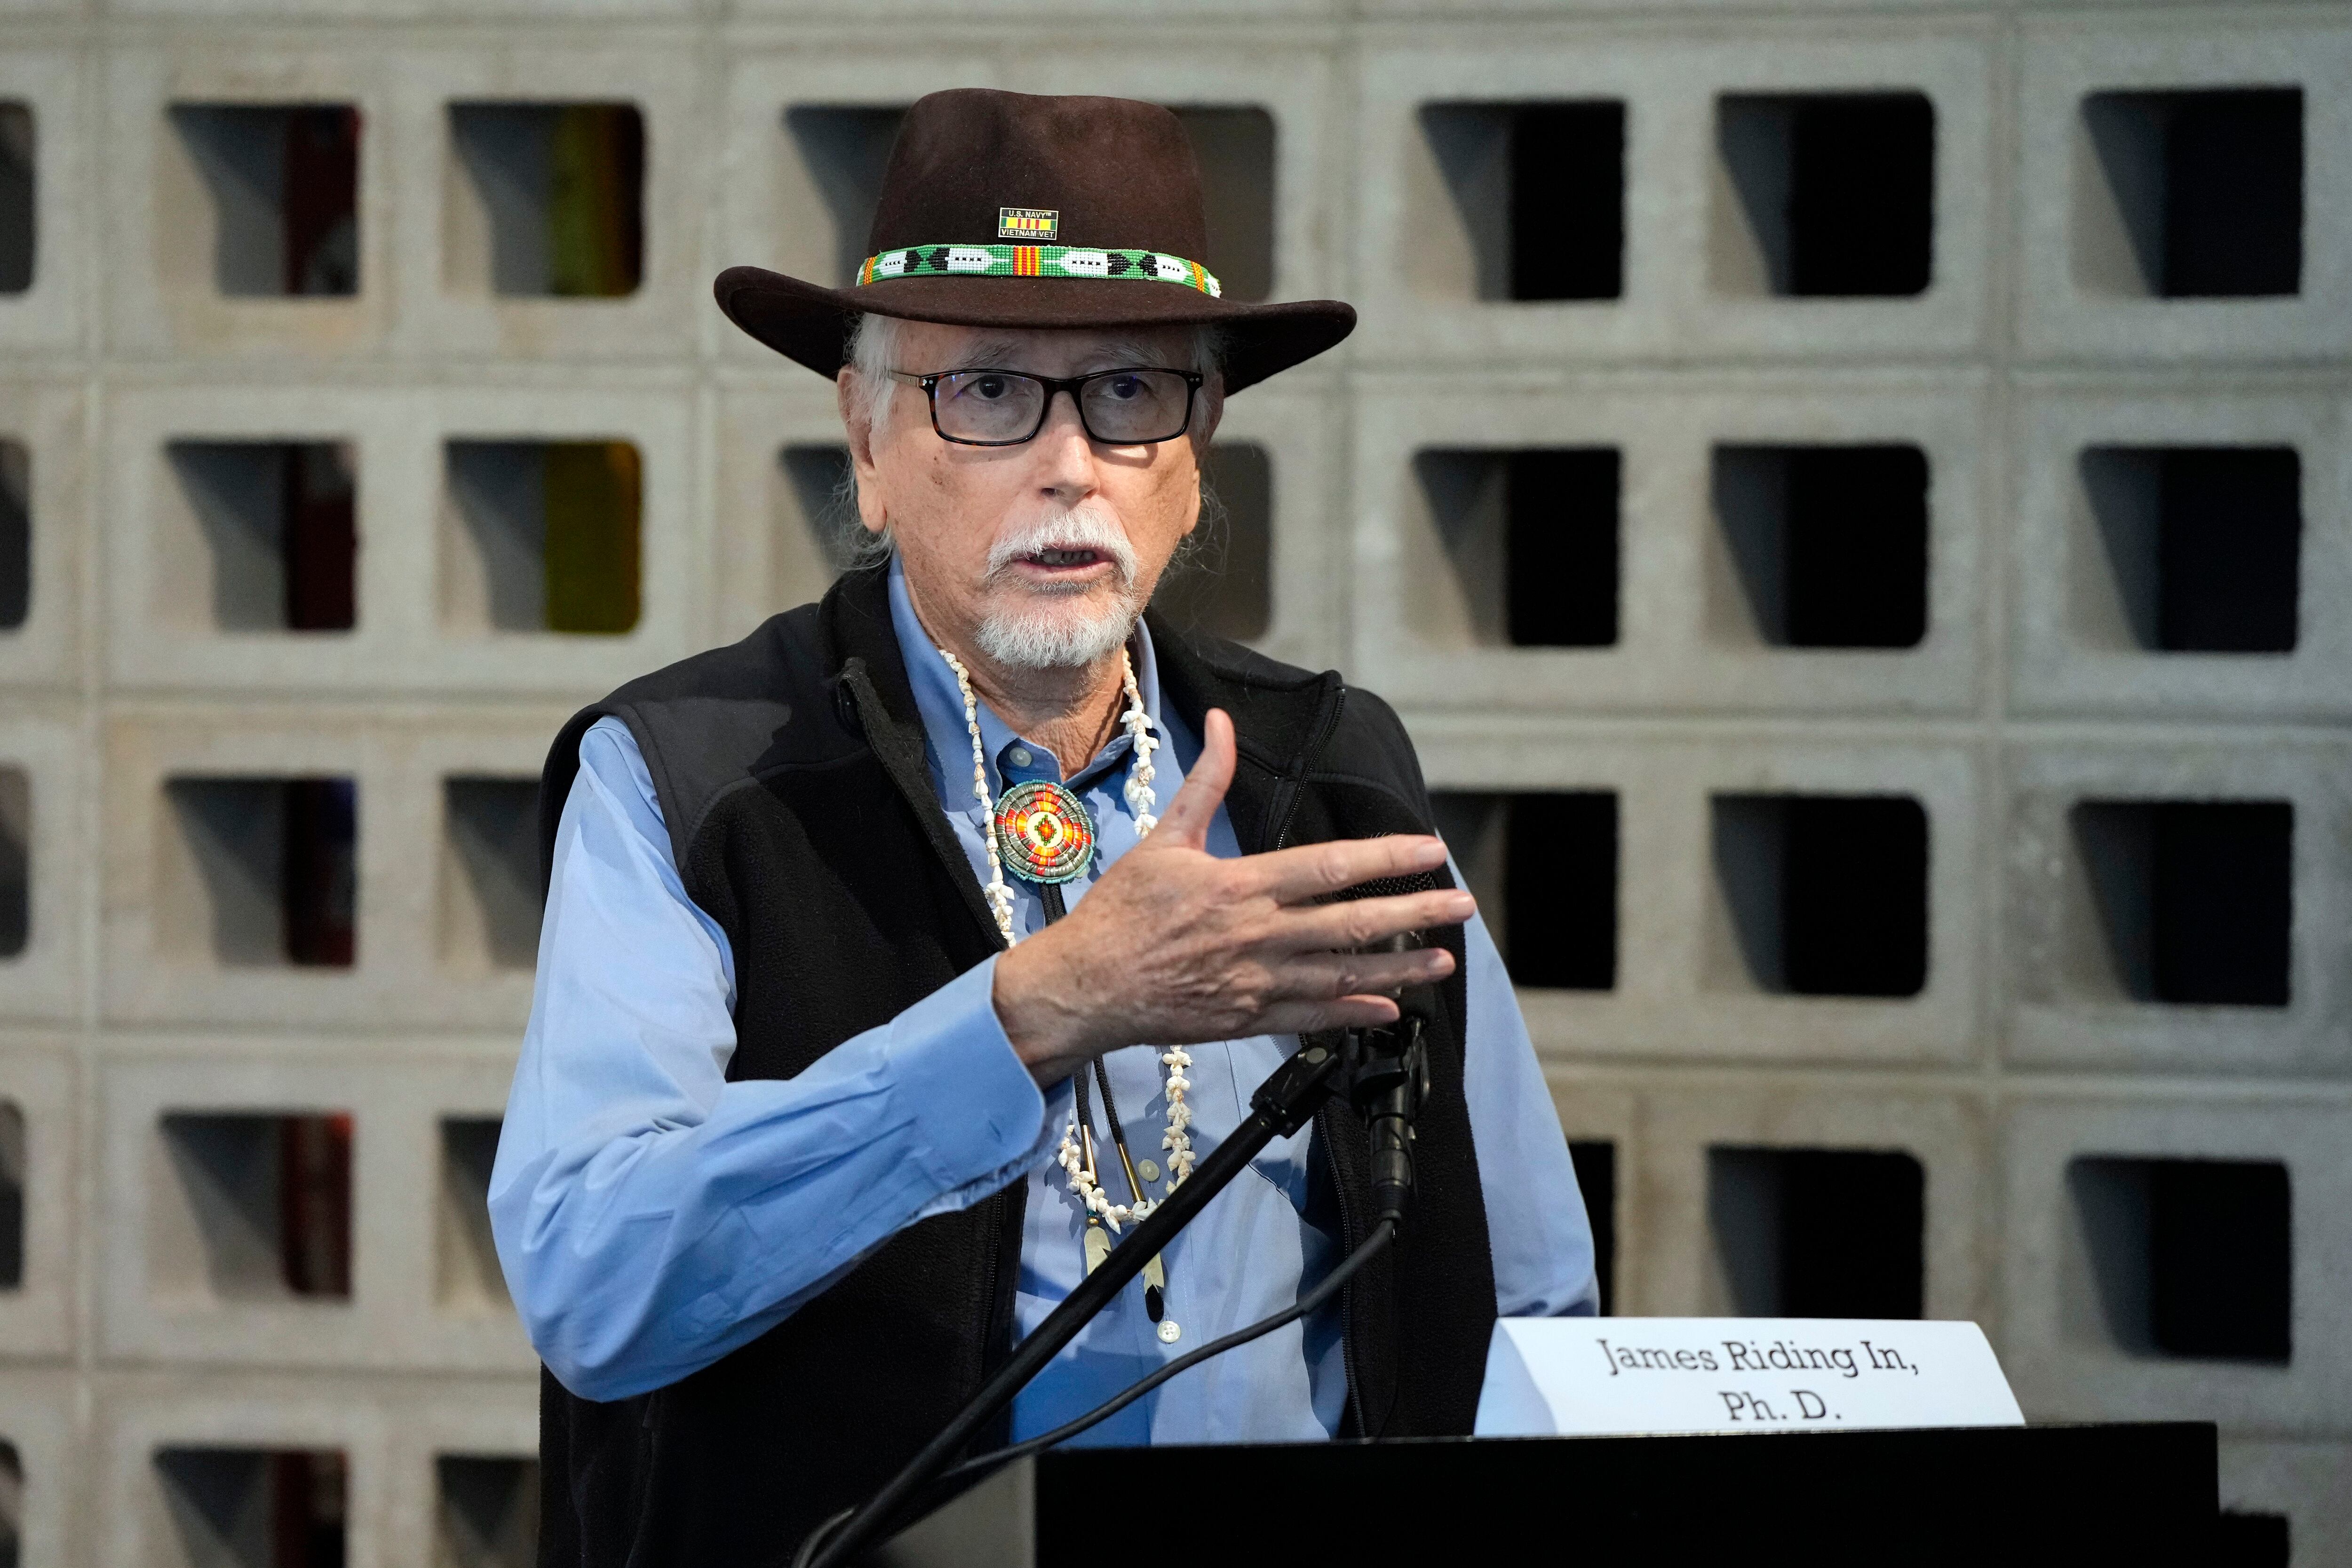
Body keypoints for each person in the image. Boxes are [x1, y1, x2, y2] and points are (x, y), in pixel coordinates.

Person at [489, 87, 1597, 1565]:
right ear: (869, 440)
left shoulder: (1329, 772)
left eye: (1132, 394)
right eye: (993, 391)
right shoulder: (695, 777)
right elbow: (591, 1277)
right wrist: (1035, 1014)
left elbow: (1529, 1301)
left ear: (1196, 455)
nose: (1071, 463)